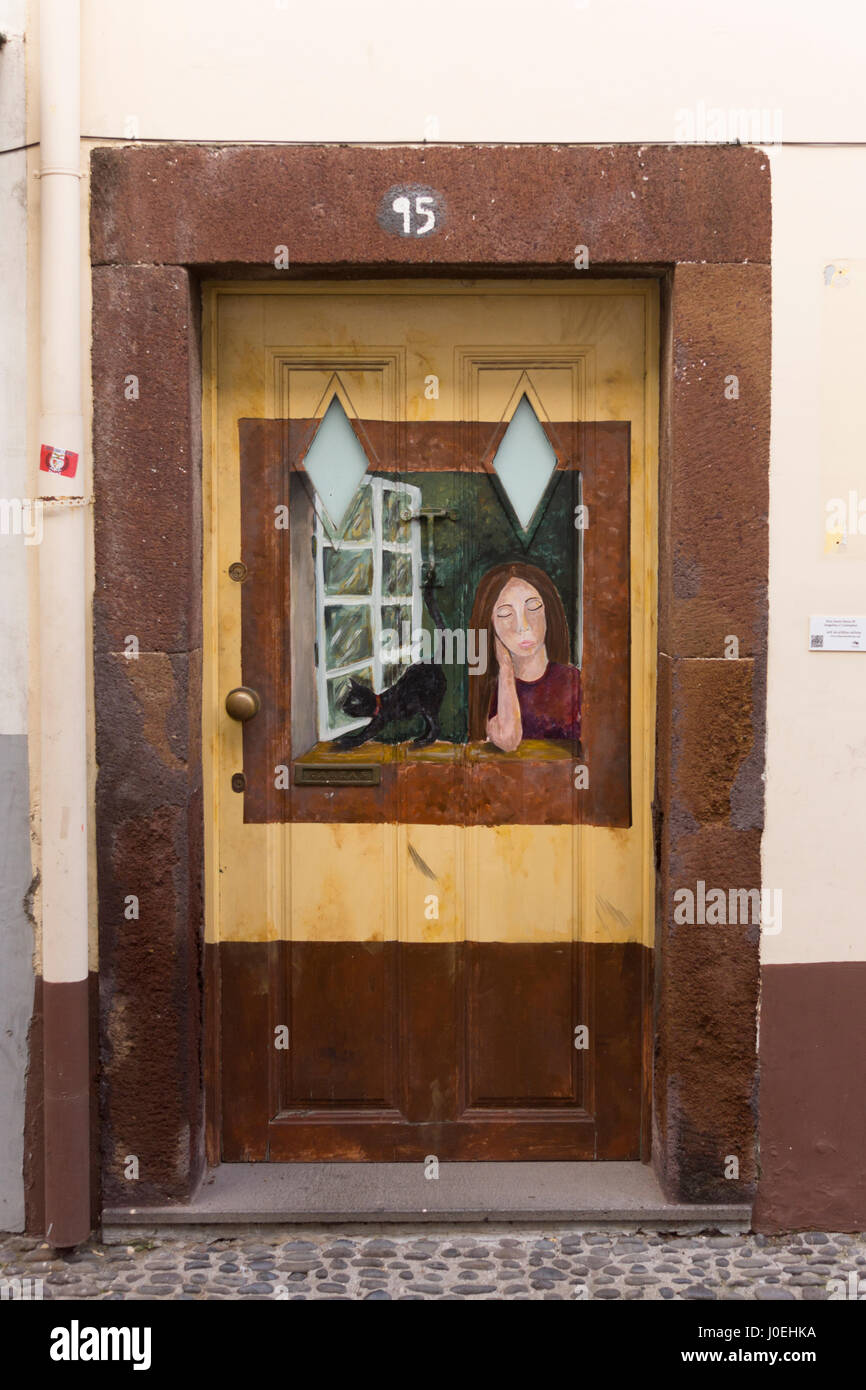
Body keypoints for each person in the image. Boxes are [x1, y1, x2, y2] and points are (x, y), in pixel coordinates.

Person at [467, 562, 581, 752]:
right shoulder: (492, 692)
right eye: (505, 613)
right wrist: (505, 669)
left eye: (534, 607)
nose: (523, 625)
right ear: (490, 624)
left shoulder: (574, 681)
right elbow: (508, 739)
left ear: (548, 611)